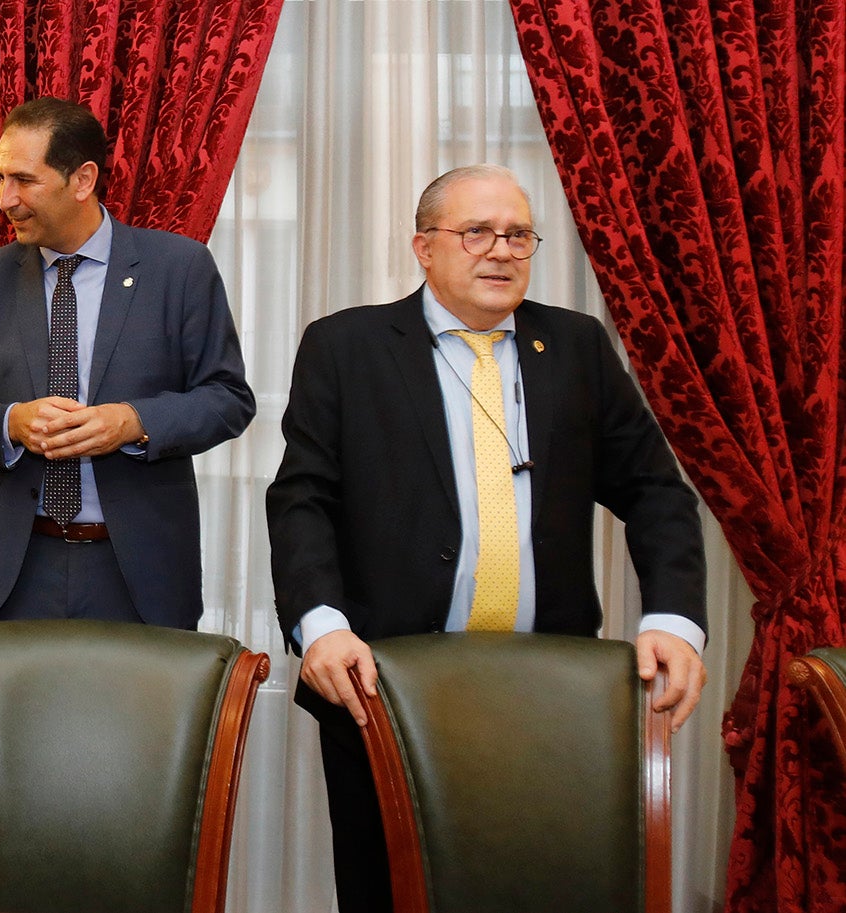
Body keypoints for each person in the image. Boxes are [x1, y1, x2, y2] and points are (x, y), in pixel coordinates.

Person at [265, 164, 708, 912]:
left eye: (519, 235)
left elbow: (656, 491)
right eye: (476, 232)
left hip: (549, 693)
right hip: (382, 685)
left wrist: (673, 618)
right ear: (424, 247)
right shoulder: (347, 346)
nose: (501, 251)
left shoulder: (576, 346)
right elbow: (303, 499)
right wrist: (321, 628)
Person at [0, 97, 254, 628]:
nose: (4, 199)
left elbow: (227, 399)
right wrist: (13, 422)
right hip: (17, 570)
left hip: (137, 571)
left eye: (23, 180)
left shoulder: (178, 268)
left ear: (82, 179)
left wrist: (131, 423)